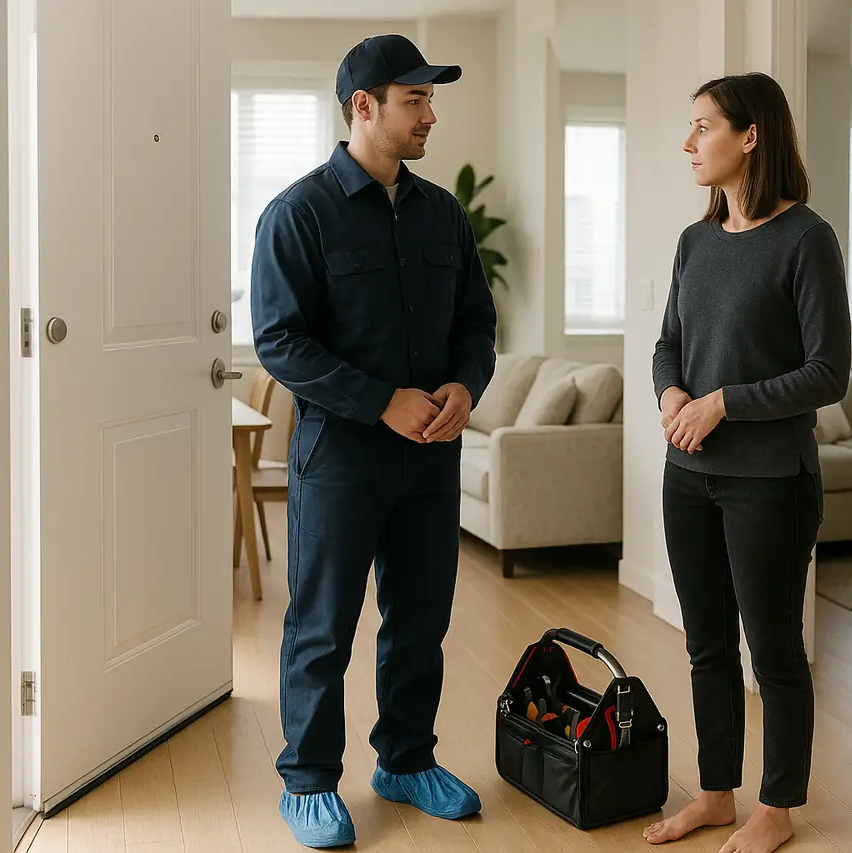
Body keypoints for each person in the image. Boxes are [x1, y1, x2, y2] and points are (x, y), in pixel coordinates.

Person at [250, 33, 497, 850]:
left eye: (430, 99)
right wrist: (379, 401)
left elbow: (477, 325)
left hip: (432, 458)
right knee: (322, 624)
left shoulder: (443, 214)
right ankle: (311, 777)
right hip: (341, 460)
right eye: (415, 99)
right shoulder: (297, 214)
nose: (430, 114)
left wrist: (466, 385)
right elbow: (280, 340)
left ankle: (405, 759)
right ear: (364, 106)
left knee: (419, 619)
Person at [645, 73, 851, 853]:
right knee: (706, 644)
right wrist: (671, 393)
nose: (689, 143)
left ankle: (777, 806)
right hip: (687, 475)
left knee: (771, 649)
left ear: (750, 136)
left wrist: (722, 402)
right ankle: (717, 794)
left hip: (770, 482)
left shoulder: (807, 239)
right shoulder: (695, 241)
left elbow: (828, 372)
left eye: (704, 126)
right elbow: (670, 338)